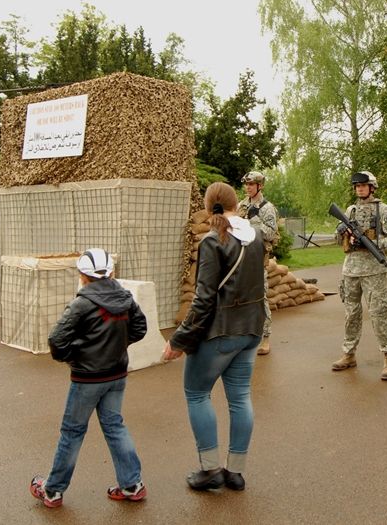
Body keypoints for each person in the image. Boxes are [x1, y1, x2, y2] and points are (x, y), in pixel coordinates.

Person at [163, 181, 266, 492]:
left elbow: (204, 299)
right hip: (251, 329)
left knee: (197, 394)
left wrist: (178, 341)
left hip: (220, 332)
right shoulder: (255, 235)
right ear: (235, 202)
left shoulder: (212, 241)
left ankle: (209, 470)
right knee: (240, 399)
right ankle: (235, 472)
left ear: (209, 207)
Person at [30, 248, 148, 509]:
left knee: (72, 432)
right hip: (117, 374)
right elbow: (140, 328)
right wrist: (117, 347)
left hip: (87, 379)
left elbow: (56, 340)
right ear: (112, 272)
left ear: (82, 275)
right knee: (115, 426)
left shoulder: (81, 303)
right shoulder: (125, 298)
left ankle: (52, 490)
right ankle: (132, 485)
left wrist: (74, 356)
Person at [332, 171, 387, 380]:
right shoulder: (350, 210)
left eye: (363, 185)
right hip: (351, 269)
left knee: (379, 313)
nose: (360, 189)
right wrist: (342, 231)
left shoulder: (384, 209)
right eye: (357, 186)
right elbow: (338, 241)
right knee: (351, 314)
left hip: (374, 270)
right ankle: (349, 354)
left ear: (372, 187)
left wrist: (375, 244)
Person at [237, 170, 279, 355]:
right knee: (242, 298)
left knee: (260, 298)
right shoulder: (242, 205)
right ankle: (244, 336)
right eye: (246, 184)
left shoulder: (267, 208)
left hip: (257, 258)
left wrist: (252, 224)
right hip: (242, 257)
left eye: (251, 184)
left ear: (259, 186)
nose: (247, 187)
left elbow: (271, 233)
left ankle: (265, 338)